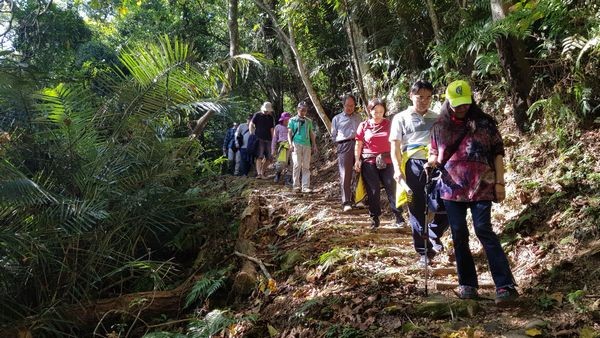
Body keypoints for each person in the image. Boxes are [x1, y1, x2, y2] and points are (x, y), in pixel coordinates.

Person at [429, 80, 518, 306]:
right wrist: (430, 163)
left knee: (483, 229)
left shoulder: (485, 124)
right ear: (448, 102)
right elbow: (433, 153)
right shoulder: (439, 126)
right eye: (457, 104)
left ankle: (505, 285)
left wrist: (500, 183)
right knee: (458, 234)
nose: (461, 108)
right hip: (451, 189)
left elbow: (498, 154)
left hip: (482, 186)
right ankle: (467, 284)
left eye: (465, 104)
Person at [390, 80, 449, 266]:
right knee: (416, 207)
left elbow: (445, 141)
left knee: (446, 202)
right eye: (420, 97)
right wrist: (397, 170)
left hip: (437, 163)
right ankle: (423, 250)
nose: (424, 101)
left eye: (428, 97)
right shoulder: (401, 117)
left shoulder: (438, 117)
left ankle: (434, 233)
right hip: (412, 163)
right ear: (411, 96)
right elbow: (395, 147)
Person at [354, 98, 404, 229]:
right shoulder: (364, 125)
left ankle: (399, 217)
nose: (378, 114)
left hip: (388, 160)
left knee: (391, 187)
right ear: (369, 111)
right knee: (373, 190)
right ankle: (374, 219)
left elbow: (397, 141)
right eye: (375, 111)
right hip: (369, 161)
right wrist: (357, 160)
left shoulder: (390, 124)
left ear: (384, 112)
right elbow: (358, 144)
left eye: (381, 111)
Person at [331, 94, 363, 212]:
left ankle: (359, 199)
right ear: (343, 105)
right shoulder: (337, 118)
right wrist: (340, 144)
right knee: (345, 174)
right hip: (344, 145)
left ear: (355, 105)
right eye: (347, 105)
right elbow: (333, 135)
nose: (349, 108)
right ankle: (346, 202)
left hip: (359, 144)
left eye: (352, 105)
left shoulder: (358, 117)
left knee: (359, 171)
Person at [288, 101, 317, 193]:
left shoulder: (308, 121)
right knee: (297, 164)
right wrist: (290, 144)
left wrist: (314, 145)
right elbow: (289, 132)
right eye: (302, 110)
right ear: (298, 109)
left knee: (306, 166)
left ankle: (305, 187)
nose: (303, 111)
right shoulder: (292, 120)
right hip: (296, 144)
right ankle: (296, 185)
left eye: (305, 110)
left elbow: (311, 133)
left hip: (307, 145)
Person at [249, 102, 275, 179]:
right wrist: (251, 134)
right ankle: (259, 174)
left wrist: (273, 140)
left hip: (268, 139)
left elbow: (271, 129)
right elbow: (251, 124)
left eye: (268, 111)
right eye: (265, 110)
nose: (266, 112)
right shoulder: (257, 115)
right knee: (259, 156)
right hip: (259, 138)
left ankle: (262, 172)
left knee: (269, 157)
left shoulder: (270, 117)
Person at [271, 112, 292, 184]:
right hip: (282, 146)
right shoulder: (278, 127)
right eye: (286, 120)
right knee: (281, 163)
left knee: (291, 163)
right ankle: (277, 174)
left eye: (288, 120)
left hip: (292, 146)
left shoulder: (292, 127)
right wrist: (273, 149)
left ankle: (288, 179)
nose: (287, 121)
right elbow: (274, 138)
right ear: (282, 120)